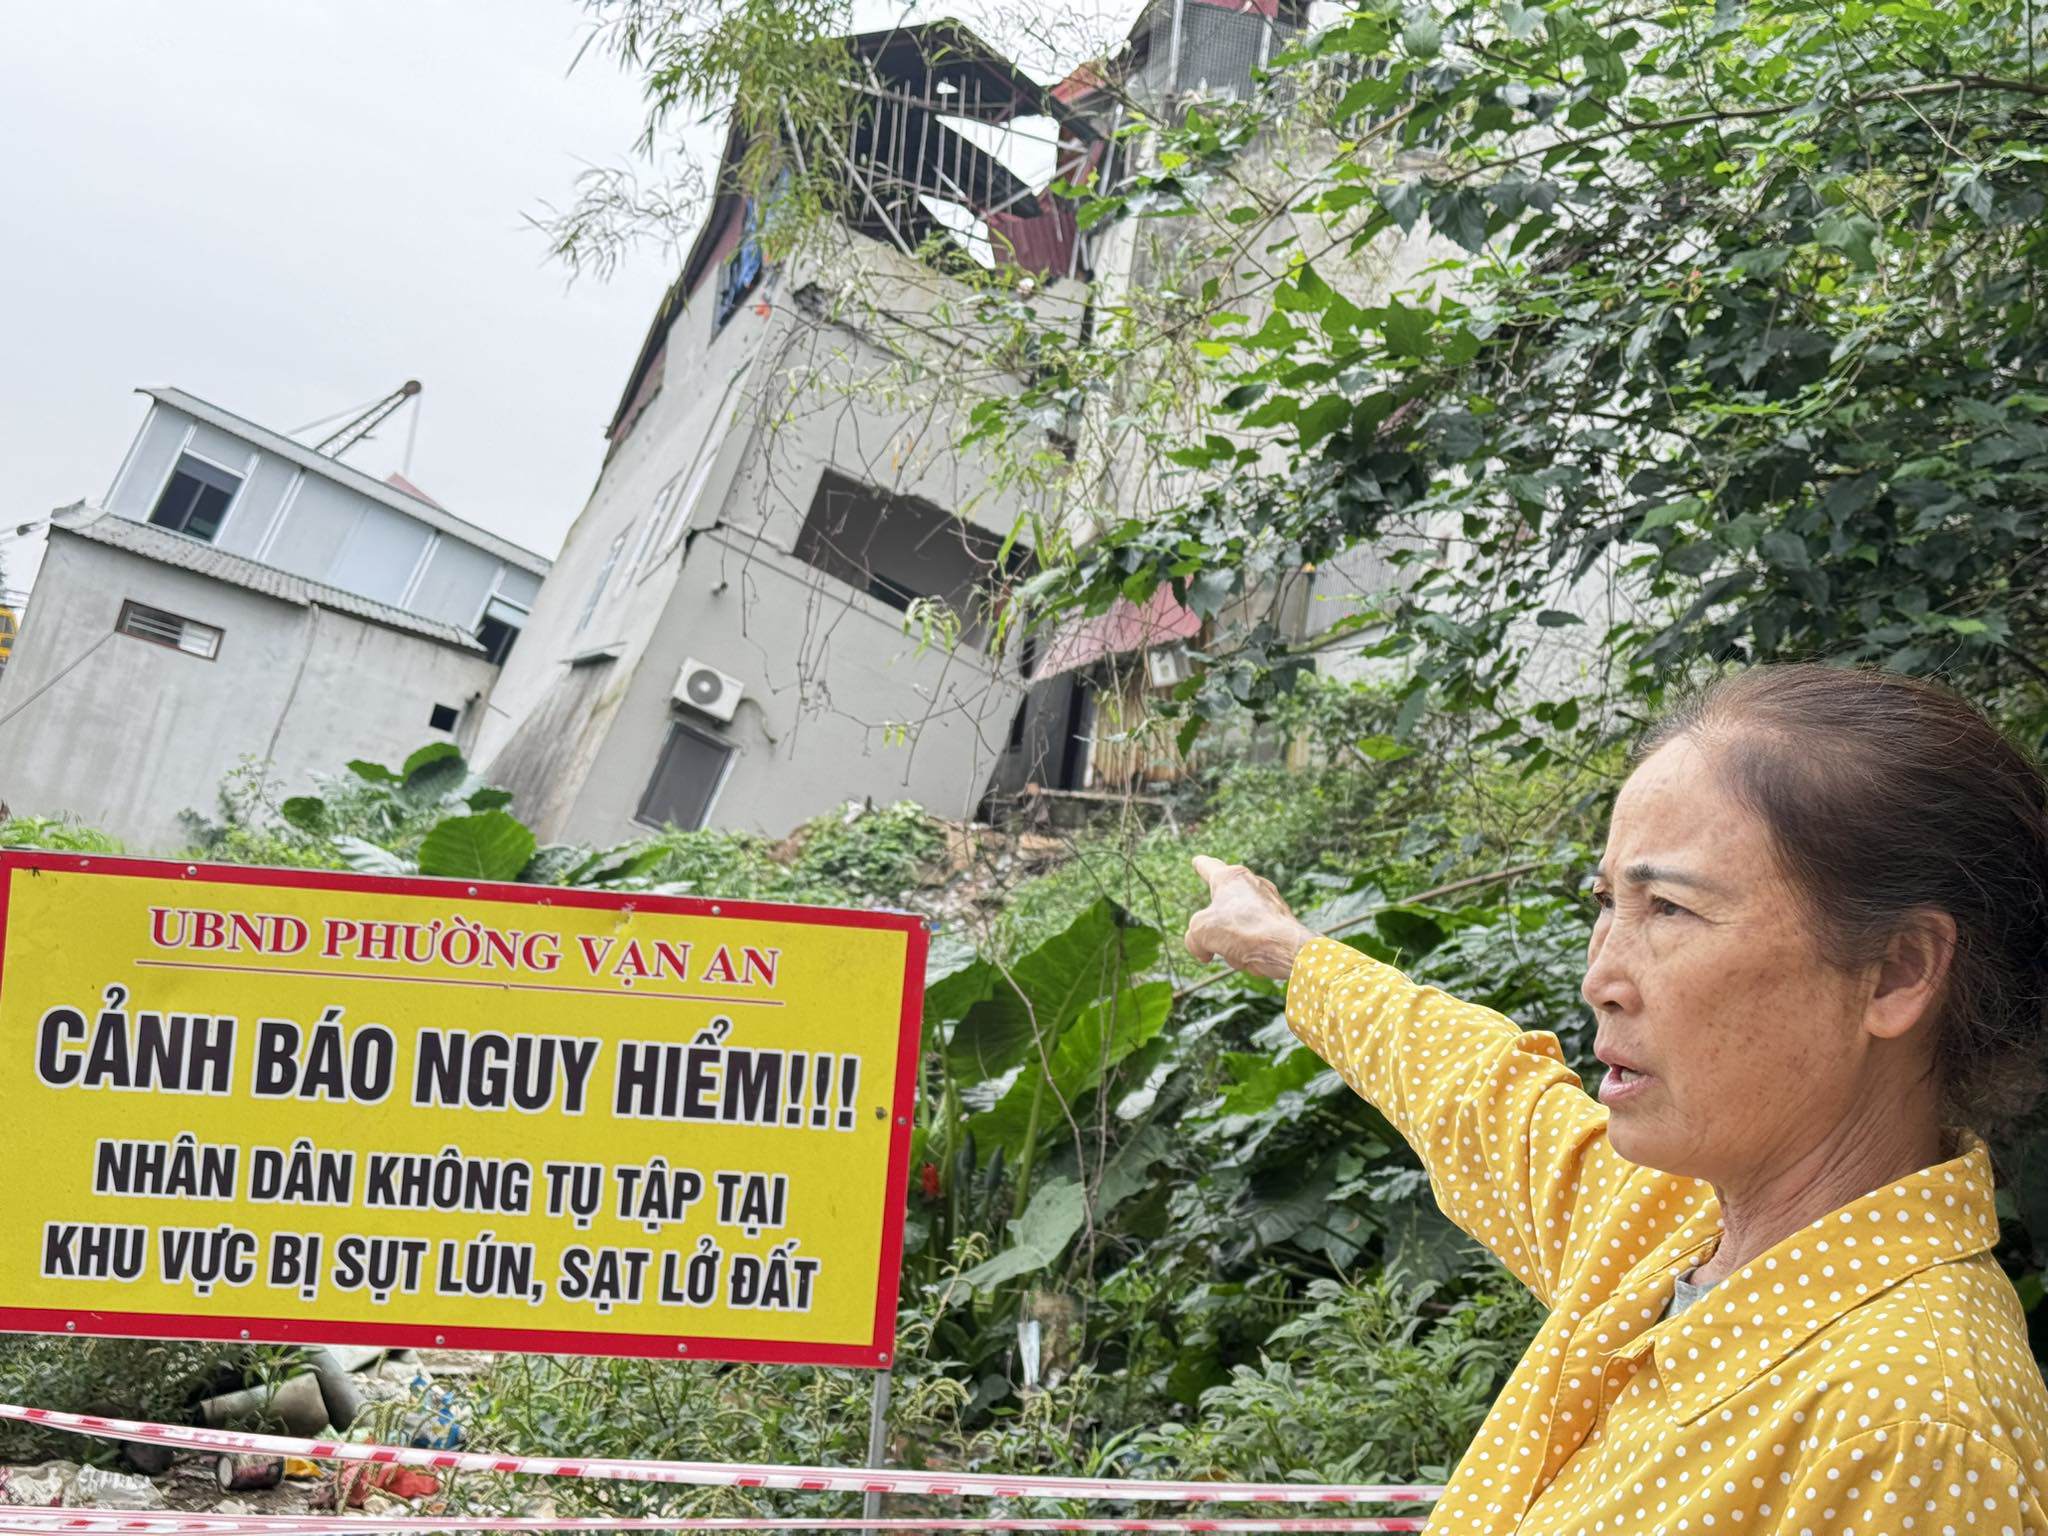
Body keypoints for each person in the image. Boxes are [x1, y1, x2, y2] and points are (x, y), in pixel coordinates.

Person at [1183, 665, 2048, 1534]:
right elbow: (1474, 1088)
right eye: (1607, 901)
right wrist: (1285, 949)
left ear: (1896, 972)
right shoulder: (1674, 1227)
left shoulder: (1912, 1430)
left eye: (1668, 908)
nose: (1599, 976)